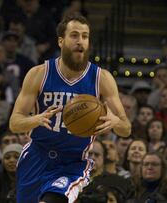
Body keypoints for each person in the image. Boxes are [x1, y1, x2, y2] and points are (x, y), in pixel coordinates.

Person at [9, 13, 131, 203]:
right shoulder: (39, 73)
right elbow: (14, 123)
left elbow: (126, 129)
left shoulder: (102, 78)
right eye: (74, 35)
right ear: (61, 41)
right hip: (36, 157)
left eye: (85, 36)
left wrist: (115, 121)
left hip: (72, 164)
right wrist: (36, 119)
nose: (80, 41)